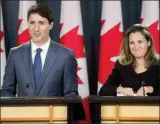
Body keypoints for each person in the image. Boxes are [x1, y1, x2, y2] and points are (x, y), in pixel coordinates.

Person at [1, 4, 78, 97]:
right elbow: (7, 92)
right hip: (23, 111)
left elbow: (71, 96)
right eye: (32, 23)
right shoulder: (15, 54)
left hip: (52, 111)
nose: (36, 29)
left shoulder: (66, 55)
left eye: (41, 23)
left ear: (51, 25)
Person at [99, 24, 160, 96]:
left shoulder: (158, 64)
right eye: (132, 43)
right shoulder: (122, 65)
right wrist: (120, 89)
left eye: (140, 42)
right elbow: (103, 90)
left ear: (149, 42)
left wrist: (150, 89)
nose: (136, 46)